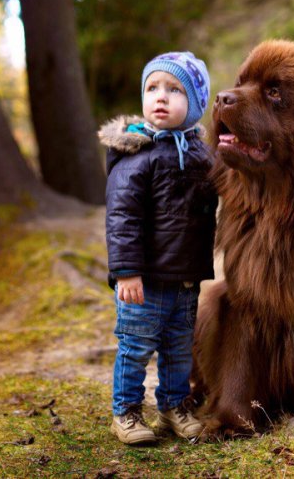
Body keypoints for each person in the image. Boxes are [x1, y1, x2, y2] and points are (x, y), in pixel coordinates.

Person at [98, 51, 217, 445]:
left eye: (174, 89)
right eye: (153, 88)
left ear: (196, 105)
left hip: (184, 281)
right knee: (134, 350)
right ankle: (126, 412)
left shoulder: (202, 155)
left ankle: (173, 405)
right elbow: (122, 219)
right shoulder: (137, 155)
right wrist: (126, 271)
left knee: (179, 350)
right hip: (143, 281)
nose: (161, 97)